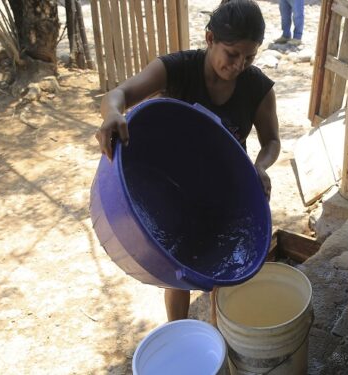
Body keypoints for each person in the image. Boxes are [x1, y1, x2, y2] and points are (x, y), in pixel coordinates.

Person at [95, 0, 280, 322]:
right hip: (173, 181)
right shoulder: (177, 68)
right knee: (177, 266)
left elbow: (272, 141)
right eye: (232, 54)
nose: (239, 65)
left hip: (226, 186)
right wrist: (112, 114)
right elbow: (117, 95)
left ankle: (220, 331)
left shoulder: (257, 88)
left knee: (222, 265)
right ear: (210, 39)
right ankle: (178, 329)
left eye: (249, 57)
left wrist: (260, 167)